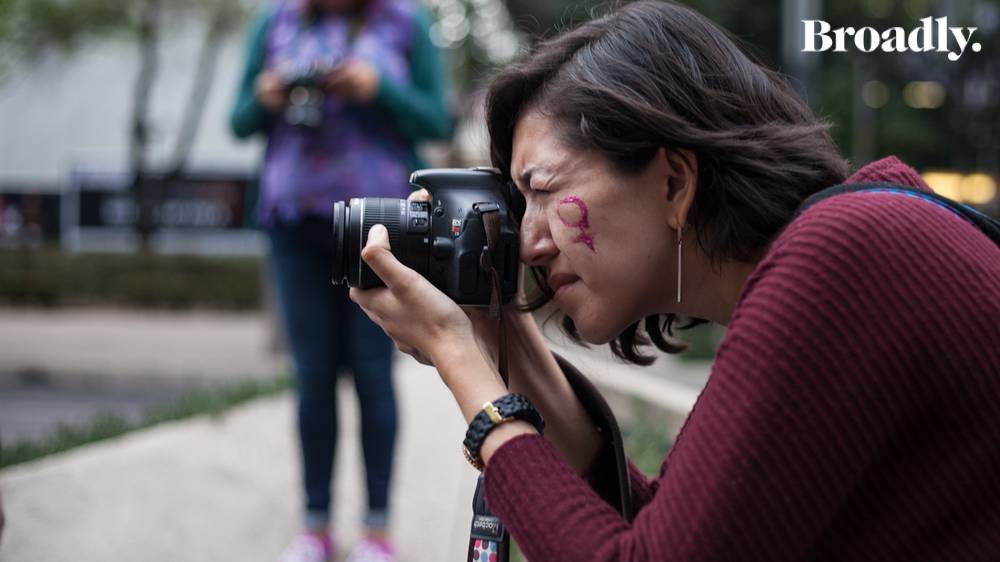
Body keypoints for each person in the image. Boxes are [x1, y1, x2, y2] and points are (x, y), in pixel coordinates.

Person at [350, 1, 1000, 560]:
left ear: (674, 182)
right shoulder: (850, 245)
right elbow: (658, 531)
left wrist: (457, 358)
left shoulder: (846, 259)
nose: (528, 239)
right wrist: (499, 333)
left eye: (543, 192)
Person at [229, 0, 453, 560]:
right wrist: (265, 97)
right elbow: (237, 122)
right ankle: (315, 527)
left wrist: (379, 88)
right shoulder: (273, 21)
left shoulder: (406, 21)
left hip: (377, 228)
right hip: (295, 224)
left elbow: (439, 121)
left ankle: (377, 532)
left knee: (374, 375)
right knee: (313, 377)